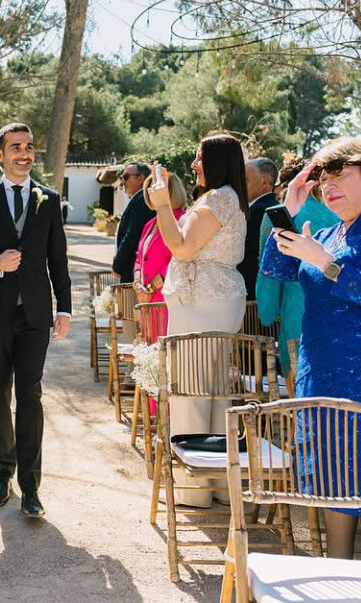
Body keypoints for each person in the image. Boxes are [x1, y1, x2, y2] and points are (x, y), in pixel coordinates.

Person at [262, 137, 361, 563]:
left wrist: (326, 263)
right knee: (332, 484)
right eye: (322, 182)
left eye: (339, 177)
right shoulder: (327, 232)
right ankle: (337, 580)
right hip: (322, 374)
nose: (328, 189)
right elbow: (278, 268)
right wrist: (287, 211)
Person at [0, 122, 71, 519]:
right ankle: (2, 473)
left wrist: (65, 307)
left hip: (36, 314)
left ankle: (32, 487)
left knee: (31, 396)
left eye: (29, 147)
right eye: (15, 147)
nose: (24, 153)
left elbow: (58, 258)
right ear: (0, 154)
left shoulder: (49, 198)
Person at [147, 132, 248, 507]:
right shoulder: (227, 198)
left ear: (218, 161)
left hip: (203, 302)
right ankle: (218, 485)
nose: (194, 166)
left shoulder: (219, 199)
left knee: (191, 387)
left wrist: (161, 206)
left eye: (199, 158)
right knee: (215, 391)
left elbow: (183, 247)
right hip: (212, 300)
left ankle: (195, 489)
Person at [255, 157, 339, 377]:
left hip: (297, 307)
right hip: (336, 303)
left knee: (297, 380)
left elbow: (268, 266)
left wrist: (267, 310)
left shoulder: (276, 214)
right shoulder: (339, 210)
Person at [133, 172, 186, 304]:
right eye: (150, 189)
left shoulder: (183, 220)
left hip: (167, 300)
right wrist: (137, 284)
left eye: (156, 188)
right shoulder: (150, 224)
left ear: (171, 191)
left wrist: (150, 289)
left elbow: (177, 260)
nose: (151, 192)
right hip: (146, 300)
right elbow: (139, 257)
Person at [238, 157, 279, 298]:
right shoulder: (273, 207)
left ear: (265, 181)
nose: (241, 185)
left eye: (245, 180)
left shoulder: (259, 211)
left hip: (253, 292)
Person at [111, 162, 153, 280]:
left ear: (140, 178)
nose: (123, 182)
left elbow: (132, 236)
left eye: (126, 177)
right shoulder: (140, 198)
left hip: (134, 271)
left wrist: (117, 265)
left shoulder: (142, 199)